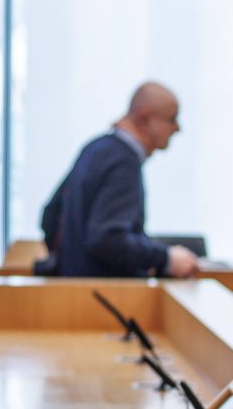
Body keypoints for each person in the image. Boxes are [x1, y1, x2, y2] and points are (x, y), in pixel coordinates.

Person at [41, 81, 199, 278]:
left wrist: (71, 266)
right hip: (108, 297)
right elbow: (107, 238)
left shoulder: (95, 148)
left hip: (74, 291)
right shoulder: (124, 160)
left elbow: (50, 216)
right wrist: (164, 258)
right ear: (144, 117)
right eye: (171, 118)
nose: (177, 128)